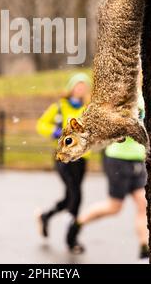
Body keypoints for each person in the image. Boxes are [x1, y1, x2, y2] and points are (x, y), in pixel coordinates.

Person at [67, 93, 149, 260]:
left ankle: (144, 247)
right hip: (118, 160)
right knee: (114, 207)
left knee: (143, 202)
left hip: (138, 160)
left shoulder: (143, 96)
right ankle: (76, 226)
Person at [36, 73, 91, 253]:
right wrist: (55, 131)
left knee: (70, 197)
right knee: (76, 195)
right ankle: (71, 239)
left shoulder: (88, 108)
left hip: (81, 158)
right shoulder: (59, 107)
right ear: (72, 87)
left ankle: (46, 216)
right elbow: (41, 124)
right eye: (78, 85)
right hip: (64, 158)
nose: (81, 89)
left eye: (84, 86)